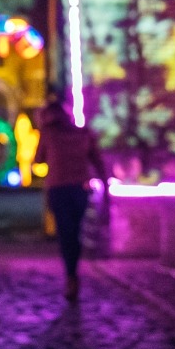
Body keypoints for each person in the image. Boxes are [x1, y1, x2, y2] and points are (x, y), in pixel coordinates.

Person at [34, 100, 107, 302]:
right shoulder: (84, 134)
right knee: (75, 231)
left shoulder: (49, 134)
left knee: (66, 234)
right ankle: (73, 274)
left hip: (59, 189)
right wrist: (106, 191)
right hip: (80, 189)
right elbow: (99, 163)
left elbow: (38, 160)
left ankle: (71, 275)